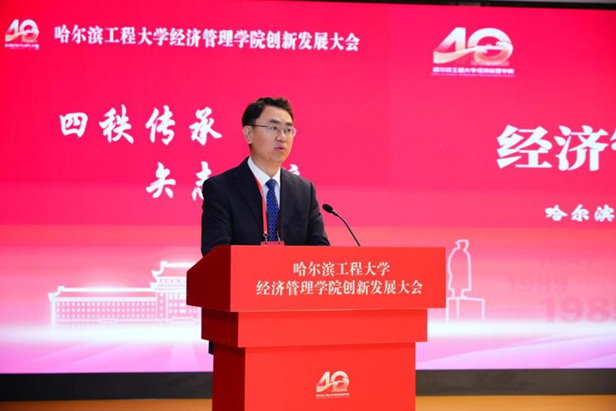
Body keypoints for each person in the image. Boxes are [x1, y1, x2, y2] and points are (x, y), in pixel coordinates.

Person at [200, 96, 330, 257]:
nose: (282, 137)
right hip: (244, 274)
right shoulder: (221, 189)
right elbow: (216, 256)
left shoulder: (304, 191)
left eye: (288, 130)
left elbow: (321, 253)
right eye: (273, 128)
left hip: (291, 274)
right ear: (248, 134)